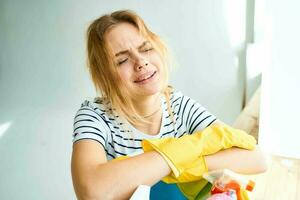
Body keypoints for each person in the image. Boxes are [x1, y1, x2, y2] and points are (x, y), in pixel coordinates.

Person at [71, 10, 267, 200]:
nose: (141, 61)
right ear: (104, 76)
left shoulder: (177, 105)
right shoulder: (95, 116)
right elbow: (92, 192)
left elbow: (256, 159)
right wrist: (189, 148)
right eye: (122, 60)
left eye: (146, 48)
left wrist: (186, 162)